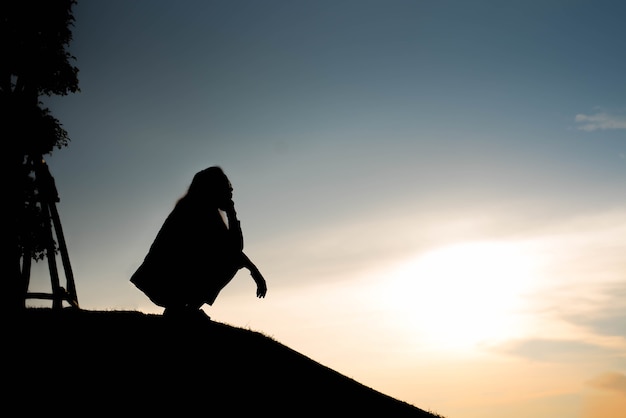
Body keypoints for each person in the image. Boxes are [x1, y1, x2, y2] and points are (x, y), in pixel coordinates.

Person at [130, 166, 267, 318]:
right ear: (213, 188)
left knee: (230, 259)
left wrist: (231, 213)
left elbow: (233, 249)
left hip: (174, 280)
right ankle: (182, 309)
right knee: (229, 260)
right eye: (226, 186)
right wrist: (254, 271)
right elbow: (233, 251)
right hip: (165, 282)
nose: (230, 191)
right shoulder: (194, 209)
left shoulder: (206, 210)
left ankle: (184, 309)